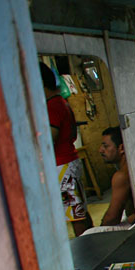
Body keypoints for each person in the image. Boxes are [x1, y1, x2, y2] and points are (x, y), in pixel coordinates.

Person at [41, 62, 91, 236]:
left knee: (75, 215)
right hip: (69, 162)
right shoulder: (62, 103)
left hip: (63, 166)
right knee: (79, 210)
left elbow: (48, 140)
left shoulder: (53, 106)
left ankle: (88, 251)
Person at [99, 127, 135, 227]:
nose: (100, 150)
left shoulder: (121, 176)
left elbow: (112, 218)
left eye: (105, 146)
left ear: (121, 148)